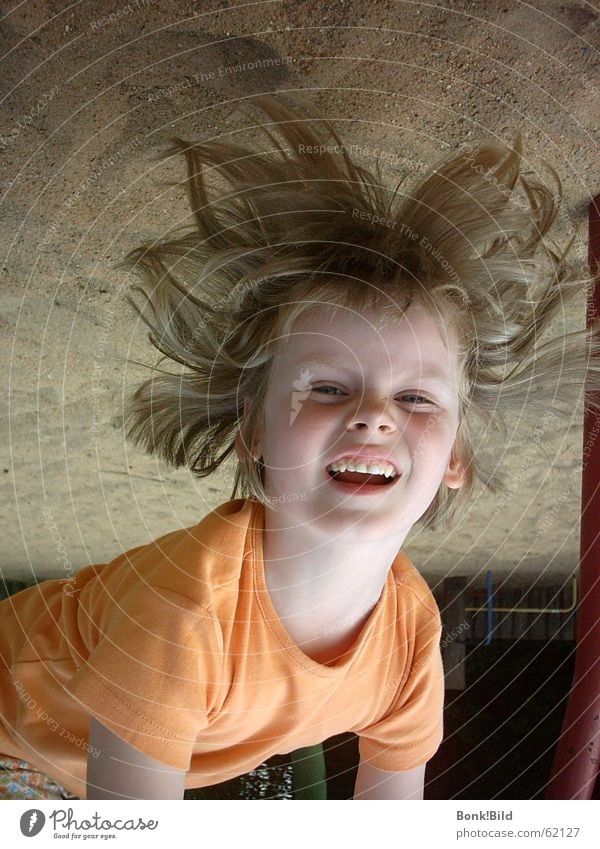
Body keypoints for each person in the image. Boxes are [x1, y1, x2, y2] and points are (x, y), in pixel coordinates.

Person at [1, 93, 598, 801]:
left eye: (415, 398)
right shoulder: (183, 610)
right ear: (252, 429)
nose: (375, 416)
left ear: (457, 457)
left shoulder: (410, 637)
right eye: (327, 388)